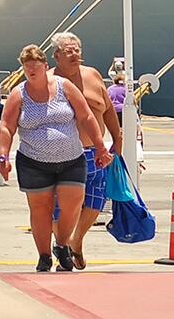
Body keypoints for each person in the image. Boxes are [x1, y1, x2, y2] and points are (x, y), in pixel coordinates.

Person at [0, 44, 112, 273]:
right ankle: (44, 256)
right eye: (27, 67)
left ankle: (62, 245)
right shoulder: (19, 94)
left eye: (35, 66)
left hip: (71, 159)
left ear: (45, 66)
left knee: (72, 205)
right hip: (33, 161)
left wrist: (100, 146)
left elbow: (86, 117)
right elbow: (7, 126)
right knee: (41, 209)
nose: (31, 71)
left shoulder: (64, 87)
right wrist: (3, 155)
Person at [47, 32, 123, 271]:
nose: (74, 54)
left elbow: (107, 109)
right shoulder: (49, 81)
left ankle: (75, 240)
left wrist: (117, 139)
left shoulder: (92, 75)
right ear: (56, 55)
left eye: (76, 50)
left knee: (96, 199)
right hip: (63, 153)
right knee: (59, 205)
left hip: (95, 151)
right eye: (68, 51)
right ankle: (62, 247)